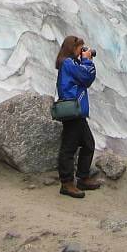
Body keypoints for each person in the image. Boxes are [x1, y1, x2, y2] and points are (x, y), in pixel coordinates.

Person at [55, 35, 102, 199]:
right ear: (72, 48)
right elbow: (86, 77)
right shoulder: (68, 63)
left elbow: (85, 78)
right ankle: (67, 183)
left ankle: (83, 178)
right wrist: (87, 60)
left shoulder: (71, 64)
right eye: (80, 48)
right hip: (72, 111)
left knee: (88, 144)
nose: (82, 51)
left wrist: (84, 60)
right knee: (68, 148)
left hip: (77, 111)